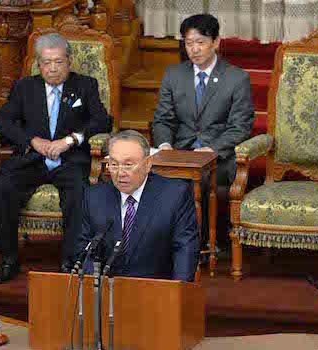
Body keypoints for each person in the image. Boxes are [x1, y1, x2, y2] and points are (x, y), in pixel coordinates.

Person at [0, 33, 112, 283]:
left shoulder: (85, 86)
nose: (53, 68)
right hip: (32, 159)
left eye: (58, 62)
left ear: (68, 62)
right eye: (47, 62)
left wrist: (70, 141)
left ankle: (71, 261)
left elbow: (102, 120)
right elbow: (1, 121)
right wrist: (32, 141)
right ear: (39, 64)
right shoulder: (24, 88)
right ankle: (9, 259)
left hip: (70, 161)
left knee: (78, 193)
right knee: (3, 185)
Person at [152, 13, 255, 250]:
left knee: (195, 181)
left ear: (216, 42)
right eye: (189, 43)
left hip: (219, 156)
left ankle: (195, 244)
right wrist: (165, 144)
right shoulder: (174, 75)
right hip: (181, 152)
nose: (194, 49)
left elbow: (240, 126)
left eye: (200, 42)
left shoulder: (236, 78)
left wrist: (212, 149)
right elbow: (163, 120)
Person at [78, 130, 199, 282]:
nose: (120, 173)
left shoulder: (175, 195)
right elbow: (84, 250)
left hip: (156, 293)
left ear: (147, 164)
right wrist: (93, 288)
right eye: (114, 165)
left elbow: (185, 252)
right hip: (106, 294)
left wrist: (176, 295)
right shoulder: (94, 197)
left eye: (128, 165)